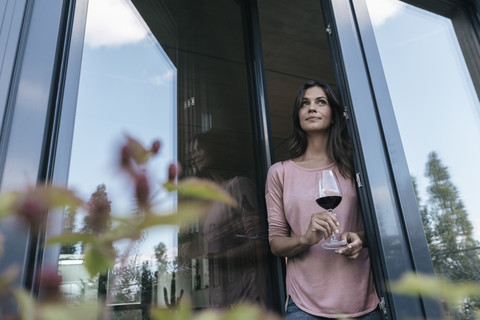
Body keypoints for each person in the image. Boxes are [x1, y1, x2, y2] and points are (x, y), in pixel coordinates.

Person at [265, 80, 380, 319]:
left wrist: (359, 238)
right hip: (305, 306)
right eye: (304, 103)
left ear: (334, 115)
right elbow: (276, 243)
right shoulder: (280, 172)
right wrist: (306, 239)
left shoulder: (355, 166)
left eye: (321, 102)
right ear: (298, 115)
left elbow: (384, 225)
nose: (312, 108)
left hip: (363, 302)